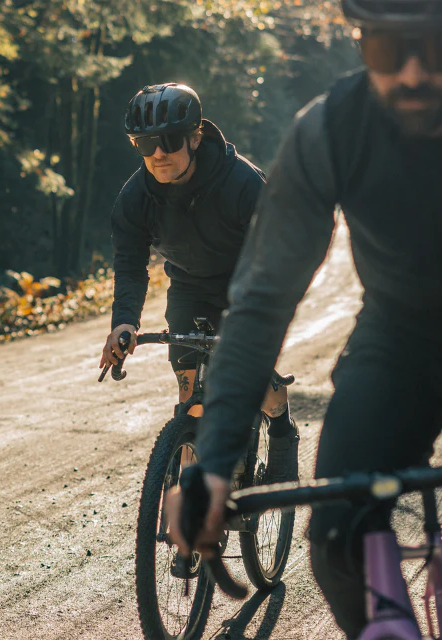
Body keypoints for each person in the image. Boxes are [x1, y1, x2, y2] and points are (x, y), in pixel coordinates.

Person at [166, 2, 442, 638]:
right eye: (389, 53)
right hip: (402, 341)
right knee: (337, 538)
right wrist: (212, 462)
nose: (413, 74)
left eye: (440, 49)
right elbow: (260, 302)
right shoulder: (329, 131)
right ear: (360, 44)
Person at [99, 83, 298, 482]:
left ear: (195, 138)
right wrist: (124, 323)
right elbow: (130, 264)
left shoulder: (242, 184)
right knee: (189, 395)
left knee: (251, 378)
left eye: (169, 141)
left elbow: (276, 253)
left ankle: (280, 429)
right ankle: (191, 504)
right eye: (145, 143)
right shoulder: (135, 198)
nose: (158, 153)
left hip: (247, 287)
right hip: (190, 288)